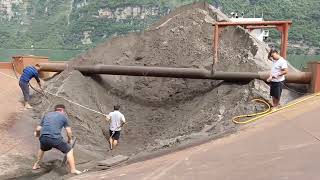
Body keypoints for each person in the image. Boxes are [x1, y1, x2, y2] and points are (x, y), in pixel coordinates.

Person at [32, 104, 81, 175]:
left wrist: (37, 134)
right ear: (62, 110)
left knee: (42, 149)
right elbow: (69, 131)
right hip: (54, 138)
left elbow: (38, 129)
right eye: (64, 111)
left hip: (43, 137)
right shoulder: (63, 117)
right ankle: (73, 170)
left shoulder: (47, 115)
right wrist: (70, 139)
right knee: (69, 150)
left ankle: (36, 165)